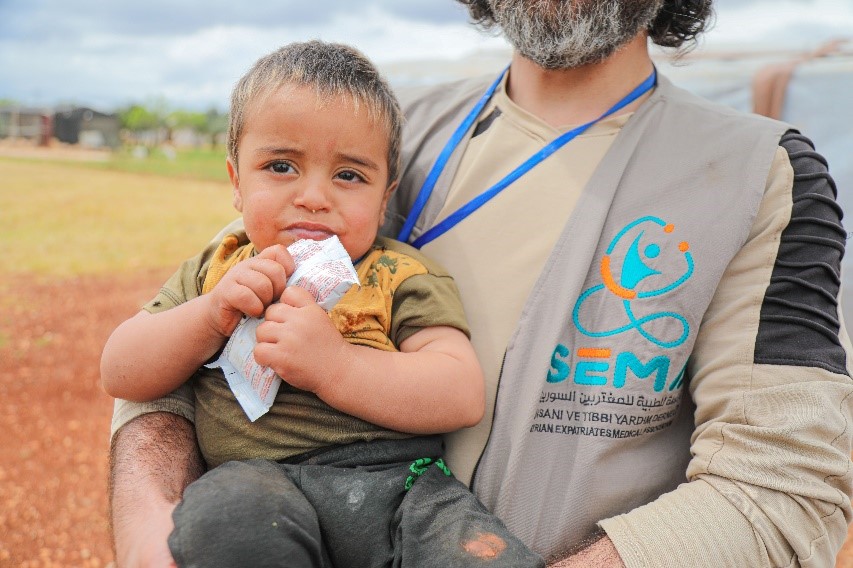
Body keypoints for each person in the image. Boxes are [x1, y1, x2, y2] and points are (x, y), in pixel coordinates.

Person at [109, 1, 853, 566]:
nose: (315, 189)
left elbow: (784, 490)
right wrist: (152, 534)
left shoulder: (762, 175)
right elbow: (187, 345)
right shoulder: (373, 136)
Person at [101, 41, 544, 567]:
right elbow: (120, 370)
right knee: (223, 519)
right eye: (282, 165)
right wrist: (209, 315)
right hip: (255, 483)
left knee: (482, 554)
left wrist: (334, 366)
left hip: (402, 494)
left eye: (349, 175)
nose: (314, 196)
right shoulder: (216, 269)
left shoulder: (400, 273)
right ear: (236, 182)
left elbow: (461, 393)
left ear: (385, 199)